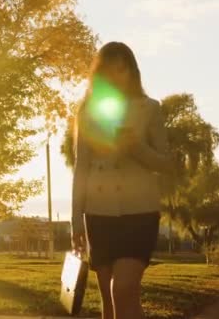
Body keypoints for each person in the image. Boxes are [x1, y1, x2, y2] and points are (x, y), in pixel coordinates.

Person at [71, 41, 173, 319]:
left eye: (122, 70)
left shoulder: (150, 108)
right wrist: (76, 219)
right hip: (99, 213)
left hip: (139, 212)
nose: (116, 77)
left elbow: (166, 163)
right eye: (108, 71)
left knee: (123, 289)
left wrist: (136, 147)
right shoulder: (87, 111)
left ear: (132, 72)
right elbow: (81, 167)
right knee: (111, 301)